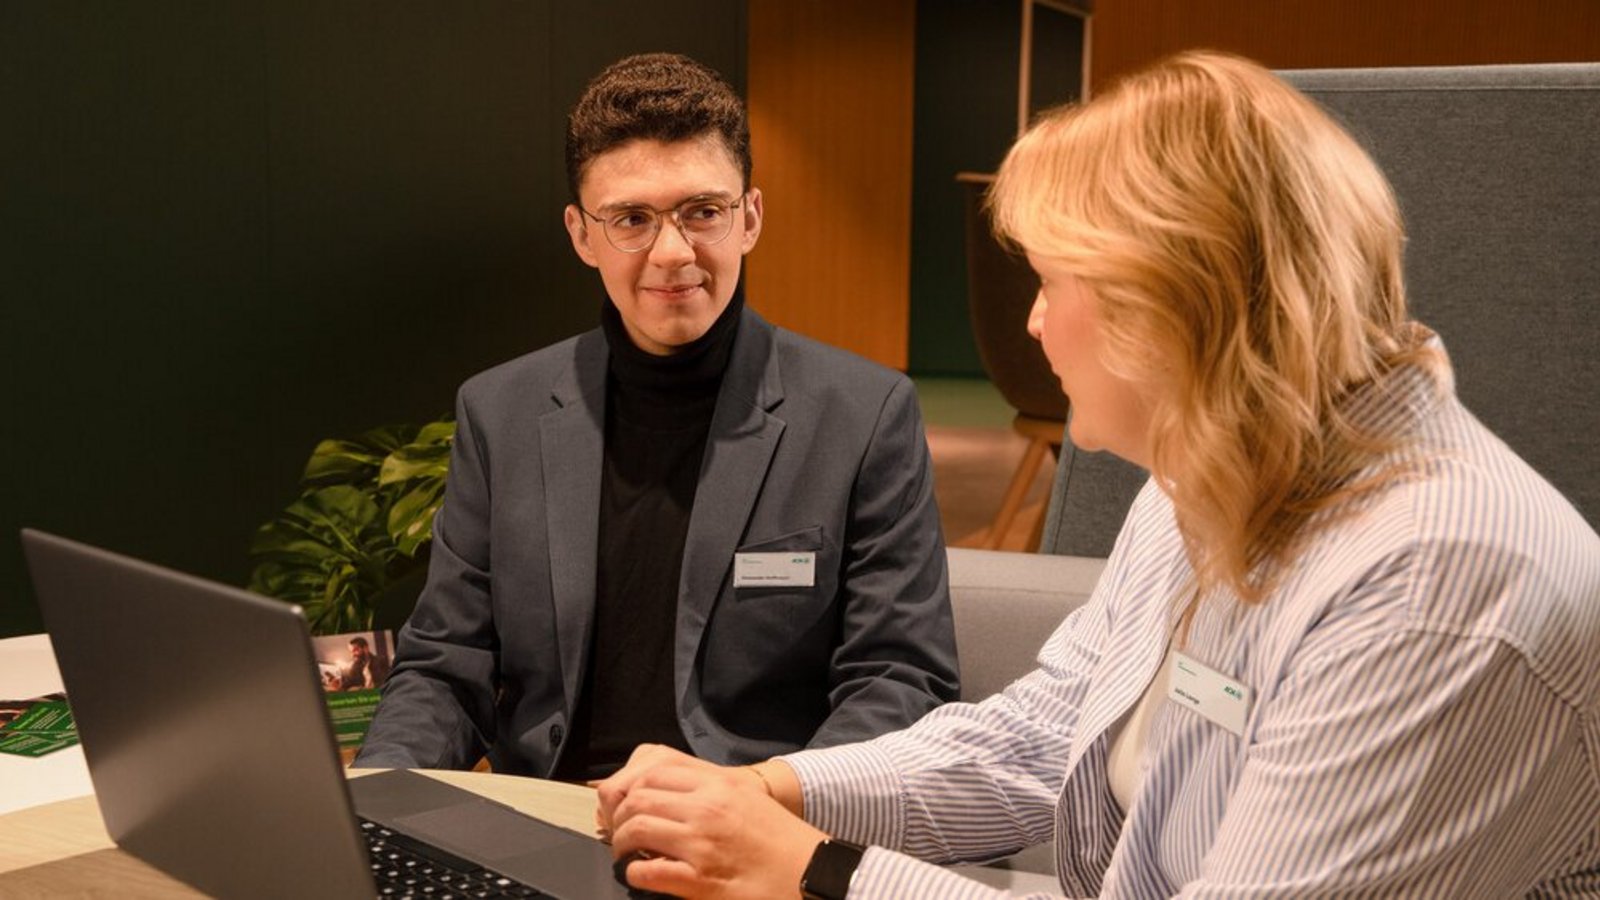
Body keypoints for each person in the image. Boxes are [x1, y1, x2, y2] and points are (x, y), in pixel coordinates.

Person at [593, 51, 1600, 898]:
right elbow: (1045, 738)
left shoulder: (1437, 587)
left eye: (1050, 280)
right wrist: (775, 790)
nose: (1033, 322)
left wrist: (817, 871)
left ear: (1168, 303)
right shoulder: (1205, 474)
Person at [356, 53, 959, 781]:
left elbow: (900, 678)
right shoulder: (499, 411)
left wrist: (764, 799)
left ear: (749, 218)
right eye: (632, 219)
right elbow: (445, 666)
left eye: (703, 212)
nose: (672, 253)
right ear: (583, 235)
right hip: (546, 813)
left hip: (753, 815)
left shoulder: (863, 415)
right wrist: (377, 800)